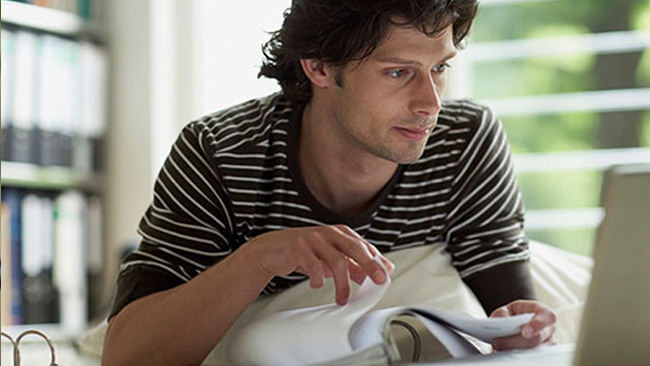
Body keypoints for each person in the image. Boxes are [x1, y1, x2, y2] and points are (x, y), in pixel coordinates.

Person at [102, 1, 557, 365]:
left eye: (438, 68)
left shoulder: (465, 139)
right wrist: (261, 257)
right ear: (318, 67)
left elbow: (510, 308)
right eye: (398, 72)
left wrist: (521, 328)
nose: (430, 103)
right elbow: (126, 355)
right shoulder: (219, 151)